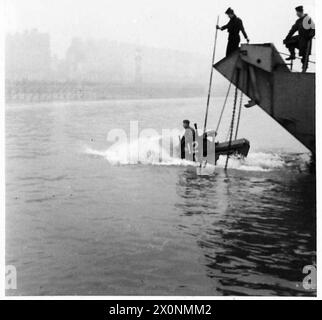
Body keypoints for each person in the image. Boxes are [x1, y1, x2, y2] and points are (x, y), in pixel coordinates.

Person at [283, 6, 315, 70]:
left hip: (306, 39)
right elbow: (292, 30)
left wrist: (310, 35)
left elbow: (313, 28)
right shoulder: (298, 21)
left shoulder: (307, 19)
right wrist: (287, 38)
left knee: (305, 54)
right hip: (300, 38)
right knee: (288, 41)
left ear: (300, 12)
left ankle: (304, 67)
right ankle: (292, 55)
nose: (296, 14)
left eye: (297, 12)